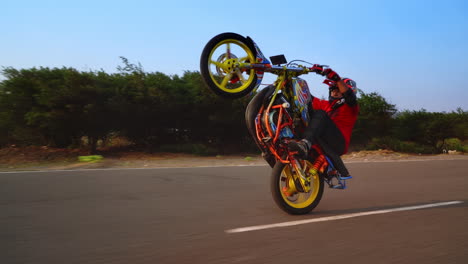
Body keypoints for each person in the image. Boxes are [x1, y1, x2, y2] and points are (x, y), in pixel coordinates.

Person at [288, 66, 359, 176]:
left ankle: (305, 144)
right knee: (302, 114)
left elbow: (350, 97)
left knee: (320, 114)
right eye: (333, 90)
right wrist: (290, 81)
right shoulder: (326, 104)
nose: (334, 93)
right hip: (323, 139)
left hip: (338, 143)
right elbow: (307, 98)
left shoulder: (351, 107)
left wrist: (336, 79)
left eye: (338, 91)